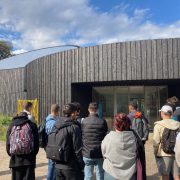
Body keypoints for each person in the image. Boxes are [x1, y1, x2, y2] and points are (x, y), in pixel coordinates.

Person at [102, 113, 138, 180]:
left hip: (111, 172)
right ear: (128, 124)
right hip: (130, 174)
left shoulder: (108, 138)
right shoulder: (134, 138)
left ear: (115, 124)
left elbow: (103, 153)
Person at [53, 103, 84, 180]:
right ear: (73, 113)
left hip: (57, 165)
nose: (77, 114)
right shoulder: (74, 127)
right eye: (76, 112)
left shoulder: (56, 124)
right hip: (71, 167)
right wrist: (81, 164)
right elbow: (78, 150)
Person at [6, 112, 39, 180]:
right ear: (27, 117)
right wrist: (32, 154)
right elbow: (36, 143)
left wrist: (12, 153)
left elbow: (8, 143)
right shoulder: (32, 125)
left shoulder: (12, 125)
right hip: (29, 160)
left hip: (15, 160)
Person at [82, 102, 108, 180]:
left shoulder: (84, 121)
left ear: (88, 110)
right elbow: (105, 135)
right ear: (97, 110)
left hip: (87, 152)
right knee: (100, 174)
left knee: (88, 175)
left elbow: (82, 135)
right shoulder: (102, 121)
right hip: (99, 152)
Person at [153, 105, 180, 180]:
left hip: (164, 153)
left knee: (165, 175)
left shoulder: (158, 125)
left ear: (162, 113)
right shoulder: (178, 124)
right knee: (177, 176)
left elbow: (156, 142)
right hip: (176, 152)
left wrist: (155, 152)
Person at [46, 104, 60, 180]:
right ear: (57, 111)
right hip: (53, 147)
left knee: (51, 166)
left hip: (49, 146)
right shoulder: (53, 122)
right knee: (52, 167)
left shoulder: (47, 119)